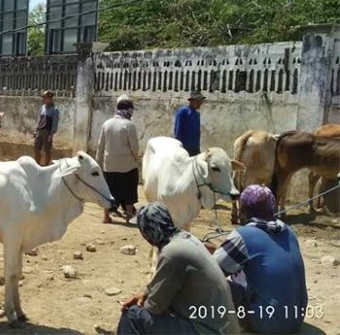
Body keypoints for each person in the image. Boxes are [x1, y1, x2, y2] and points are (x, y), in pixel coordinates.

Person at [118, 202, 239, 335]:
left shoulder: (172, 253)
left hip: (207, 331)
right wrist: (144, 292)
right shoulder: (185, 238)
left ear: (147, 233)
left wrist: (141, 302)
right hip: (222, 328)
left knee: (133, 315)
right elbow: (161, 283)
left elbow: (154, 307)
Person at [213, 185, 308, 334]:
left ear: (242, 211)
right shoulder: (289, 232)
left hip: (266, 323)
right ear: (273, 208)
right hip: (296, 319)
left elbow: (212, 270)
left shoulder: (243, 235)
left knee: (208, 280)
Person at [96, 96, 139, 223]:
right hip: (127, 166)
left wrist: (99, 162)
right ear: (128, 111)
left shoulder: (106, 124)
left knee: (109, 191)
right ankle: (129, 216)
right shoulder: (129, 125)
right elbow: (134, 147)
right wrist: (136, 159)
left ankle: (106, 216)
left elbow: (100, 146)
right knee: (129, 191)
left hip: (109, 165)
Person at [174, 90, 206, 156]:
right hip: (184, 148)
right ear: (192, 101)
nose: (200, 103)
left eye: (201, 101)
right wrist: (178, 147)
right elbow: (178, 130)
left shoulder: (197, 114)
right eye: (199, 101)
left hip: (195, 148)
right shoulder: (183, 111)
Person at [34, 90, 59, 166]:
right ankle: (37, 165)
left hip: (47, 132)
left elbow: (55, 123)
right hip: (40, 130)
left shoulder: (55, 109)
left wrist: (51, 134)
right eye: (43, 98)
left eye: (45, 98)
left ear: (50, 98)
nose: (44, 100)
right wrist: (36, 130)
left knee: (47, 150)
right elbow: (40, 119)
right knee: (36, 149)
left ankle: (46, 166)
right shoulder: (42, 107)